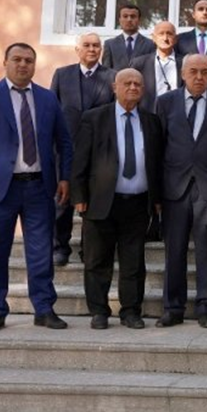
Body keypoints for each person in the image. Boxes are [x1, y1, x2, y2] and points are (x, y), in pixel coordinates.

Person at [0, 43, 73, 332]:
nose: (23, 65)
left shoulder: (47, 98)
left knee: (41, 252)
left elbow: (64, 141)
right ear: (5, 62)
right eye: (17, 59)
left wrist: (65, 177)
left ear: (34, 65)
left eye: (28, 60)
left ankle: (44, 308)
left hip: (39, 187)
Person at [71, 68, 163, 330]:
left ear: (143, 90)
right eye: (127, 83)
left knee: (134, 262)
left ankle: (131, 311)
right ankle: (99, 311)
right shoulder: (94, 118)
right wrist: (79, 195)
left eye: (138, 84)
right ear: (115, 87)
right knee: (97, 260)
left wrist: (157, 199)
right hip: (100, 202)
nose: (133, 87)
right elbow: (80, 159)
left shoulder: (151, 121)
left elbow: (157, 163)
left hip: (138, 203)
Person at [155, 54, 207, 329]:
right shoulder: (165, 102)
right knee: (174, 251)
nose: (199, 77)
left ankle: (206, 307)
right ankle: (173, 308)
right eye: (193, 71)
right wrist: (156, 193)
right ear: (182, 74)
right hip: (174, 187)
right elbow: (158, 146)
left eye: (204, 72)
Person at [50, 33, 114, 266]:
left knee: (95, 201)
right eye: (86, 45)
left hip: (98, 150)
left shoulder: (112, 77)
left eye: (96, 45)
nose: (92, 49)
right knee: (62, 200)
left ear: (101, 50)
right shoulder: (62, 75)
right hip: (66, 148)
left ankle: (90, 248)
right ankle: (59, 247)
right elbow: (51, 110)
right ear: (77, 50)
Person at [130, 21, 183, 113]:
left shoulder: (185, 63)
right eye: (161, 34)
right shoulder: (139, 63)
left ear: (175, 39)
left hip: (177, 114)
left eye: (169, 34)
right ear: (153, 38)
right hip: (148, 115)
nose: (165, 38)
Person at [101, 4, 156, 70]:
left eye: (133, 16)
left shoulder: (150, 44)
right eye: (125, 16)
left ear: (139, 20)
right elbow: (106, 71)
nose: (129, 19)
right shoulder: (110, 44)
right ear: (120, 20)